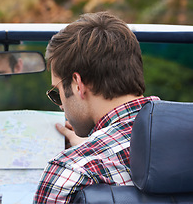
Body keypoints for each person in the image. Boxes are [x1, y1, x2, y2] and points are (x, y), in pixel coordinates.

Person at [34, 11, 160, 203]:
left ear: (78, 85)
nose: (61, 106)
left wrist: (85, 154)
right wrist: (92, 147)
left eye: (56, 93)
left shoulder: (70, 172)